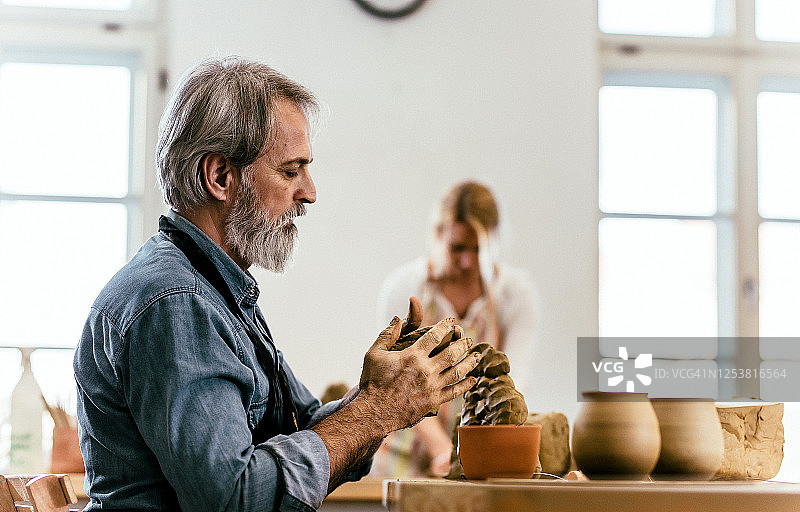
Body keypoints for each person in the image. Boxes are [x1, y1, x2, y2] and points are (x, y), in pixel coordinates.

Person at [73, 57, 481, 512]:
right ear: (220, 177)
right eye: (291, 171)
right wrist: (378, 410)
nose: (309, 192)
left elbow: (301, 426)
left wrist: (381, 393)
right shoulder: (177, 303)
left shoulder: (216, 289)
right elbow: (235, 498)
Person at [372, 181, 537, 477]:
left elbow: (513, 383)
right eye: (457, 248)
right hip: (405, 448)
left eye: (479, 250)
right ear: (437, 234)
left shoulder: (515, 295)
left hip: (477, 444)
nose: (468, 261)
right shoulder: (405, 288)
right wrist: (441, 450)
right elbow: (399, 383)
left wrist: (470, 450)